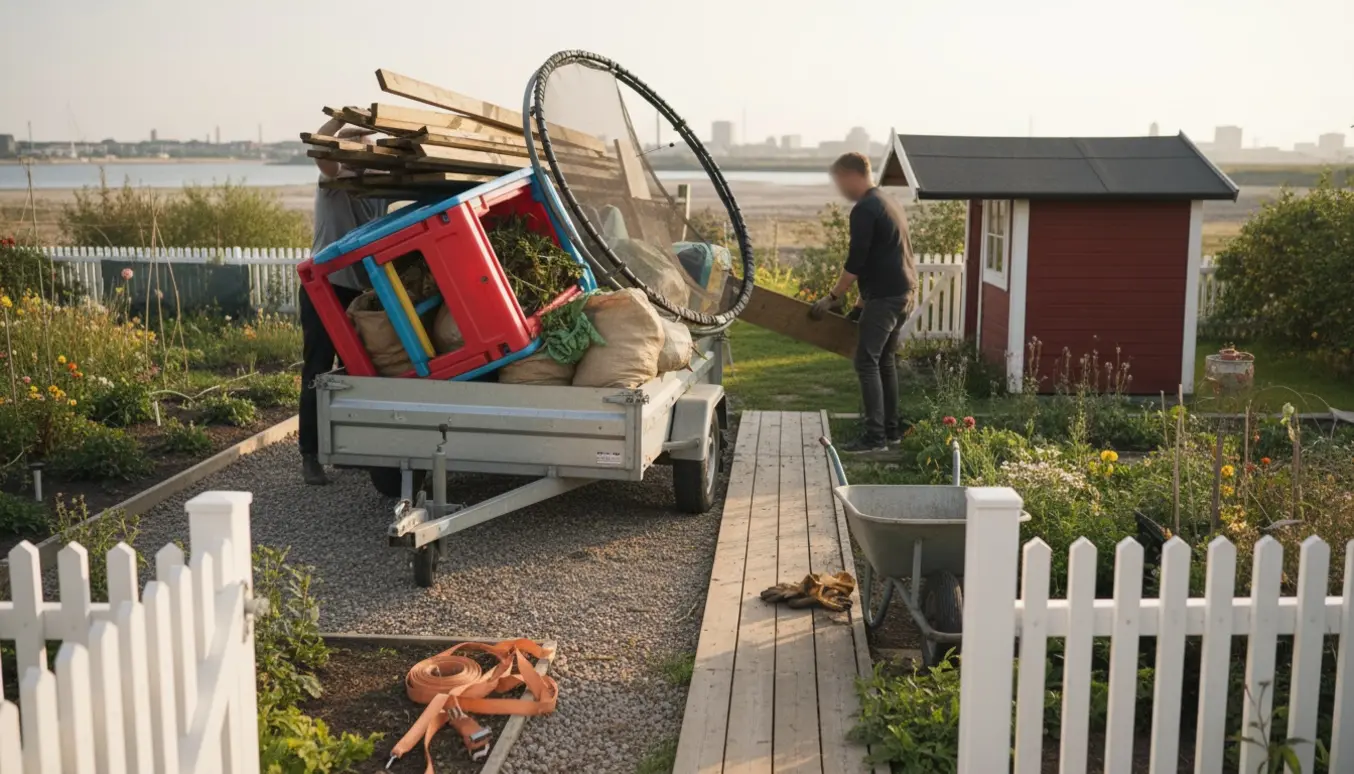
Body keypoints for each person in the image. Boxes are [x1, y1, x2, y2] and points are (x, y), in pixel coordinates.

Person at [300, 117, 396, 485]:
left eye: (367, 145)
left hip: (362, 289)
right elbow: (322, 149)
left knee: (357, 369)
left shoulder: (380, 185)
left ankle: (347, 449)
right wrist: (340, 120)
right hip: (325, 286)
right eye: (356, 146)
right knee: (319, 369)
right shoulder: (334, 180)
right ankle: (310, 455)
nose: (364, 153)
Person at [811, 152, 918, 452]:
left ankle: (874, 438)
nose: (839, 189)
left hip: (886, 297)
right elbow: (880, 258)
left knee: (866, 361)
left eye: (839, 182)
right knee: (885, 362)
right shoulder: (888, 202)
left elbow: (856, 262)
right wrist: (859, 306)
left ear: (850, 175)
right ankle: (891, 432)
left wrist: (832, 297)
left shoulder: (865, 209)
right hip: (902, 292)